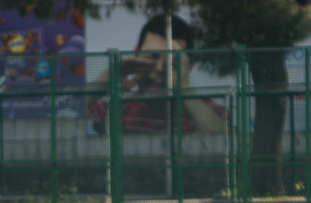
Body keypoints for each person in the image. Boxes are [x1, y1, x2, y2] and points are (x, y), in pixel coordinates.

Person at [86, 14, 228, 135]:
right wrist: (104, 82)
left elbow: (230, 145)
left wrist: (184, 88)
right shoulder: (109, 109)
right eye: (151, 57)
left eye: (172, 62)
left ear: (190, 66)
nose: (160, 68)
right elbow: (66, 120)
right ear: (136, 54)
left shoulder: (213, 113)